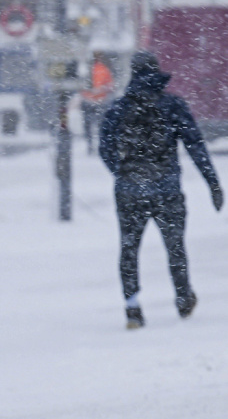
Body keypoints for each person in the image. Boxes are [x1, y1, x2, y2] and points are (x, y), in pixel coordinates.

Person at [99, 50, 223, 330]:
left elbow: (105, 148)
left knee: (129, 249)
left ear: (132, 73)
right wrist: (212, 183)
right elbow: (195, 145)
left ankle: (132, 308)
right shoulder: (173, 105)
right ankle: (183, 297)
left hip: (130, 192)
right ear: (156, 72)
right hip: (167, 190)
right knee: (175, 247)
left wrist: (123, 173)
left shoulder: (119, 108)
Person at [81, 51, 114, 154]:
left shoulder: (85, 69)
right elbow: (110, 85)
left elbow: (109, 85)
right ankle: (95, 145)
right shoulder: (102, 69)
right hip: (98, 101)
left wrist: (94, 92)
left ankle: (92, 145)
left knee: (90, 126)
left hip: (92, 101)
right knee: (99, 126)